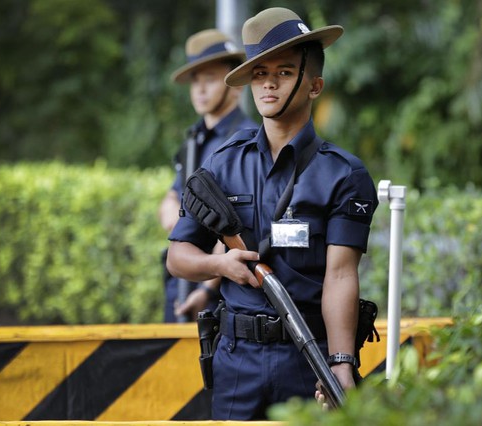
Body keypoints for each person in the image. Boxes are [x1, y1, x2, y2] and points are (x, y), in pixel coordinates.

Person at [166, 7, 379, 420]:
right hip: (236, 360)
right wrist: (219, 264)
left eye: (283, 73)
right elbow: (178, 256)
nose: (268, 84)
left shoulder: (344, 174)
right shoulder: (223, 163)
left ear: (314, 85)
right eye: (260, 74)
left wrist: (341, 362)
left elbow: (340, 276)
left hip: (308, 357)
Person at [160, 29, 258, 323]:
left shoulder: (246, 138)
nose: (200, 90)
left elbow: (236, 224)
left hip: (218, 287)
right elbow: (171, 199)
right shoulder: (194, 139)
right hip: (182, 274)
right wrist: (185, 219)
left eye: (211, 79)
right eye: (195, 81)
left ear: (236, 86)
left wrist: (206, 288)